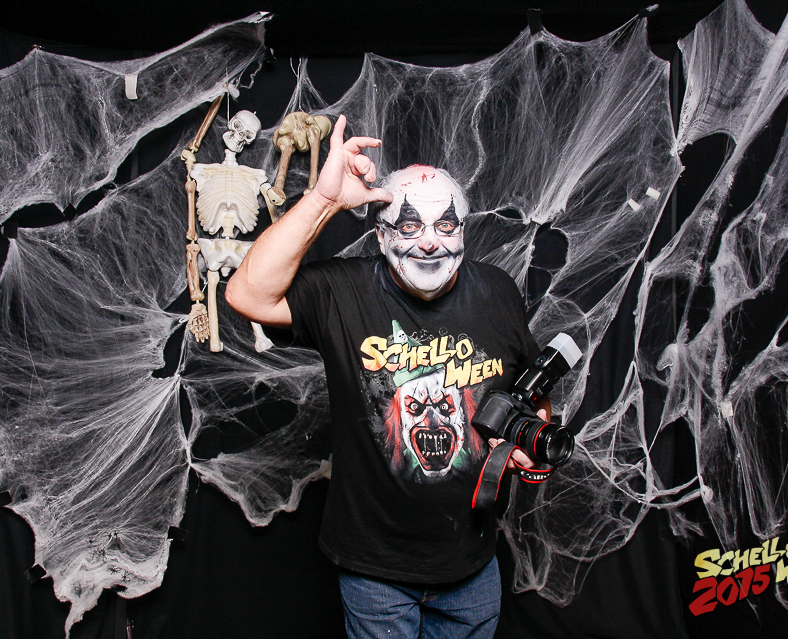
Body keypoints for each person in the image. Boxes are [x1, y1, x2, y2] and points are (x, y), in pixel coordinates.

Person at [226, 115, 549, 639]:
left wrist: (531, 437)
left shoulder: (497, 290)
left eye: (446, 226)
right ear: (381, 236)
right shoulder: (342, 291)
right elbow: (247, 295)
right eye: (410, 226)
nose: (430, 243)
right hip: (375, 570)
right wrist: (323, 201)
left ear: (463, 232)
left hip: (472, 563)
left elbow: (530, 390)